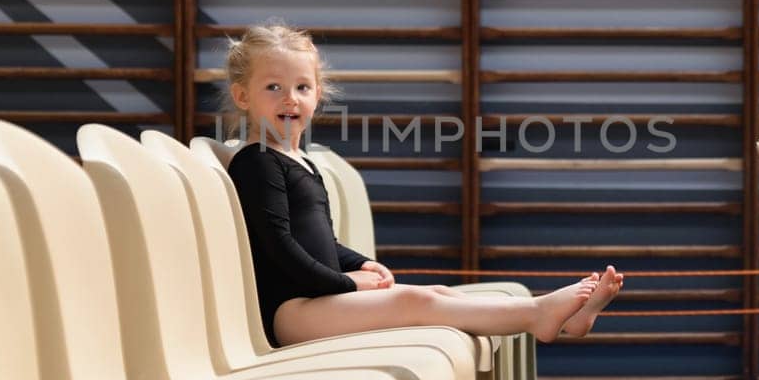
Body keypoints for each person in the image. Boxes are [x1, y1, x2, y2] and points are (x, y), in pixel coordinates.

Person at [222, 21, 624, 348]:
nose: (289, 99)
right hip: (292, 313)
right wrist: (348, 282)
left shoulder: (301, 162)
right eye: (273, 87)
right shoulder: (256, 162)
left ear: (318, 95)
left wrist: (356, 262)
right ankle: (539, 315)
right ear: (242, 96)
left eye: (302, 87)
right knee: (417, 300)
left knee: (439, 293)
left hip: (321, 300)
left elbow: (318, 240)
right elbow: (280, 250)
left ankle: (566, 319)